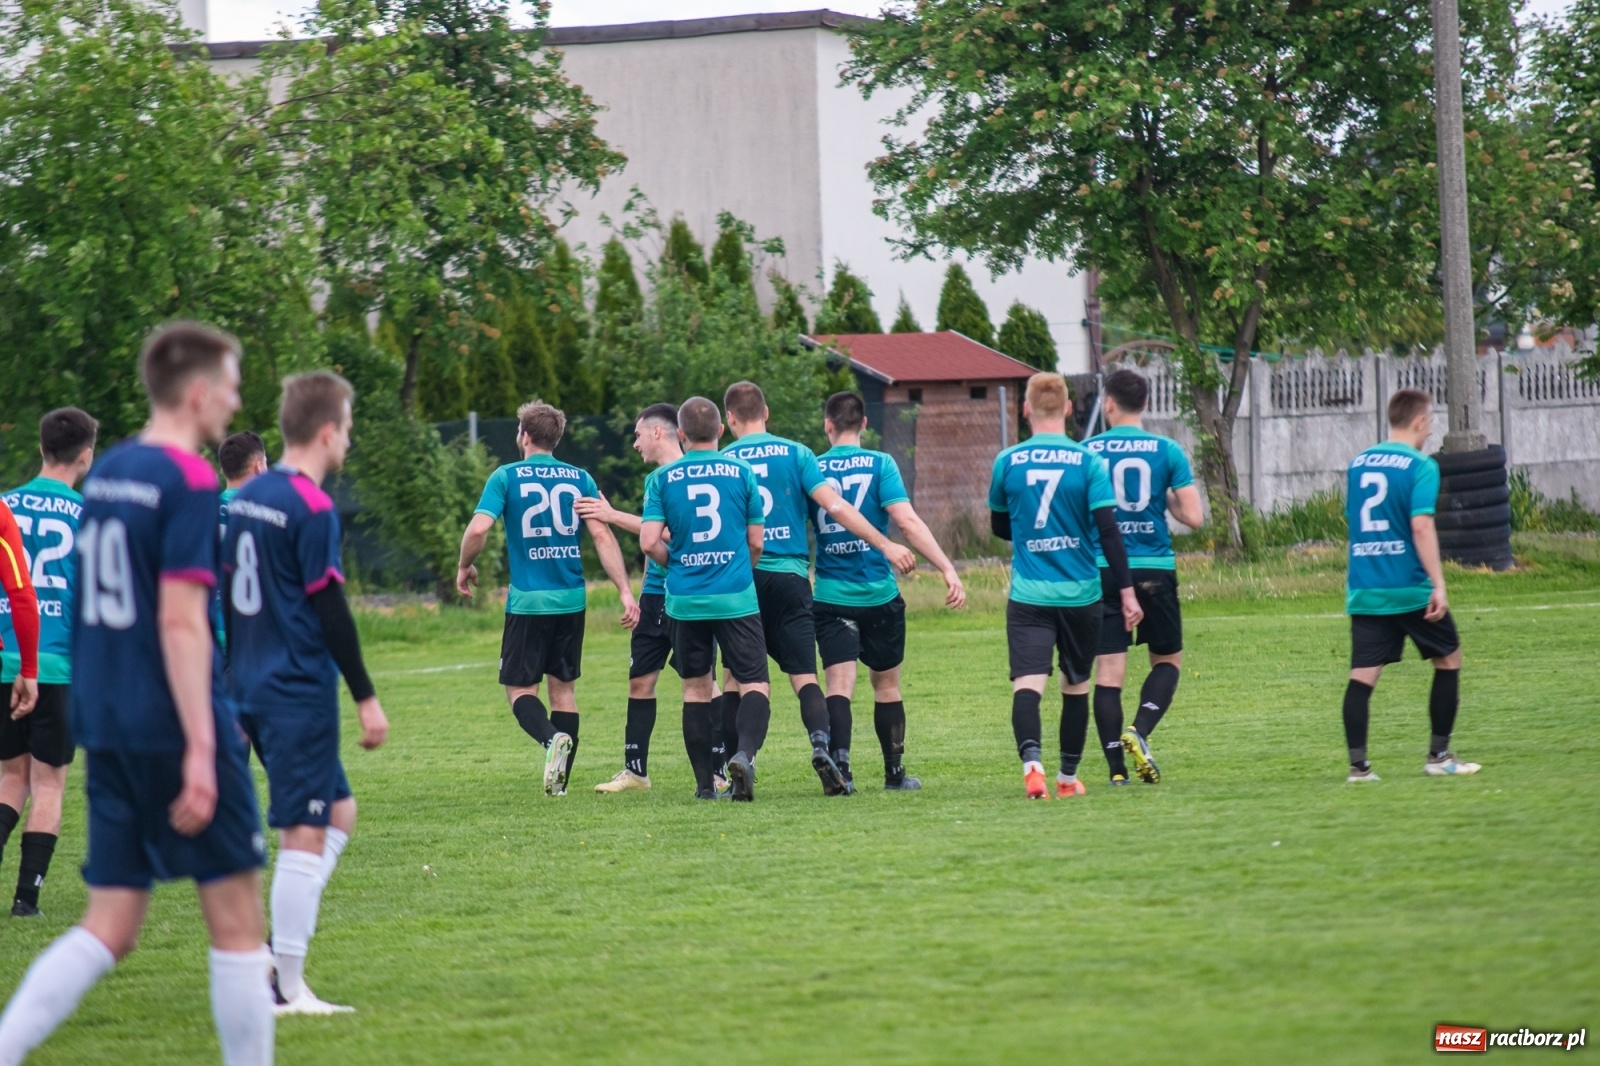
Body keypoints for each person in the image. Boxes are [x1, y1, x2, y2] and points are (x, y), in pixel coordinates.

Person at [0, 321, 273, 1066]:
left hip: (110, 717)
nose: (238, 396)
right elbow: (183, 623)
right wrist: (200, 745)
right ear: (196, 390)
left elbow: (86, 605)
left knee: (111, 925)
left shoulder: (114, 470)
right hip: (173, 720)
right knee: (239, 921)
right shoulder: (186, 481)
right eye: (232, 381)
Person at [224, 372, 388, 1015]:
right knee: (306, 831)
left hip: (250, 684)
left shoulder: (244, 497)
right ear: (327, 431)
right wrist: (366, 697)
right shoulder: (312, 506)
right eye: (346, 428)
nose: (347, 440)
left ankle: (274, 953)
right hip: (295, 688)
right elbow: (330, 610)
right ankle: (285, 986)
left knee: (337, 813)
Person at [721, 381, 916, 795]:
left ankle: (737, 763)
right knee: (805, 675)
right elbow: (836, 507)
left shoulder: (723, 461)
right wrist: (884, 543)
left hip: (743, 578)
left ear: (730, 419)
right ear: (767, 412)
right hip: (792, 577)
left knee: (739, 678)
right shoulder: (799, 453)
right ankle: (822, 745)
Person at [457, 401, 639, 796]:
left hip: (529, 602)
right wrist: (625, 591)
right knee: (564, 690)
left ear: (524, 434)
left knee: (520, 692)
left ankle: (549, 740)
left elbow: (478, 530)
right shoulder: (580, 478)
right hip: (572, 599)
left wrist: (463, 566)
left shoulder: (505, 477)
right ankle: (560, 783)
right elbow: (603, 535)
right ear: (556, 438)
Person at [988, 372, 1142, 800]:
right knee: (1076, 685)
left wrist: (1031, 534)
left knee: (1027, 685)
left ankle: (1032, 765)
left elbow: (1000, 523)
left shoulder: (1007, 461)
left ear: (1025, 410)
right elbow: (1109, 531)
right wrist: (1127, 591)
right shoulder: (1088, 461)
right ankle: (1068, 779)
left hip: (1029, 595)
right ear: (1070, 409)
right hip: (1080, 594)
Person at [809, 392, 966, 793]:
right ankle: (895, 775)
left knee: (839, 685)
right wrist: (947, 567)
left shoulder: (811, 467)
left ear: (828, 425)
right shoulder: (882, 463)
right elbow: (908, 522)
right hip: (878, 593)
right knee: (887, 685)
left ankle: (841, 768)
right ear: (864, 424)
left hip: (831, 593)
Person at [1342, 388, 1479, 782]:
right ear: (1419, 421)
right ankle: (1439, 757)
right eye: (1431, 421)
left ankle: (1358, 768)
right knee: (1449, 658)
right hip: (1411, 588)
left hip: (1366, 587)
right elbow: (1420, 525)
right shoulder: (1421, 465)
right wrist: (1438, 584)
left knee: (1362, 676)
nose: (1430, 429)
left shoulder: (1358, 463)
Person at [640, 397, 768, 801]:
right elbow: (756, 542)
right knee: (754, 684)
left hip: (684, 598)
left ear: (681, 435)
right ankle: (743, 755)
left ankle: (703, 787)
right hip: (736, 598)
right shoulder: (742, 472)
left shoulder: (661, 479)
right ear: (720, 431)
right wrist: (738, 570)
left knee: (695, 690)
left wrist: (676, 562)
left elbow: (648, 542)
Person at [1083, 369, 1204, 785]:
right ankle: (1139, 730)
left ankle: (1116, 771)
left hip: (1101, 568)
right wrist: (1165, 498)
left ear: (1109, 404)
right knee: (1167, 661)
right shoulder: (1168, 450)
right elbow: (1193, 517)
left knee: (1109, 673)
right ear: (1147, 404)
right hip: (1154, 568)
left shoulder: (1086, 451)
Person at [0, 407, 95, 917]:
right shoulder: (87, 516)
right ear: (87, 455)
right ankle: (25, 899)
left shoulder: (4, 505)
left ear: (40, 449)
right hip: (56, 665)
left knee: (9, 778)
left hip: (3, 659)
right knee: (49, 783)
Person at [577, 404, 695, 793]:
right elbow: (651, 546)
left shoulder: (684, 477)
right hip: (655, 597)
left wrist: (611, 515)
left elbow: (667, 537)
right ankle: (635, 772)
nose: (634, 442)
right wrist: (638, 596)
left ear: (658, 433)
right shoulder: (656, 479)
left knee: (699, 685)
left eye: (638, 434)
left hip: (687, 596)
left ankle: (716, 767)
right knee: (640, 682)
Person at [213, 431, 267, 647]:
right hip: (253, 633)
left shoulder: (203, 511)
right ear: (258, 466)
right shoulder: (266, 513)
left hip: (211, 632)